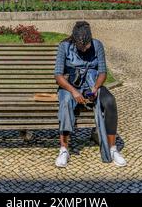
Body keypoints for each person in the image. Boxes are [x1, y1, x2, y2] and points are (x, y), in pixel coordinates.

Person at [54, 21, 127, 168]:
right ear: (75, 41)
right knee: (66, 102)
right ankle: (63, 149)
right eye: (81, 47)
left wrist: (95, 88)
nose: (85, 49)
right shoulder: (64, 47)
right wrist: (74, 92)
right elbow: (58, 76)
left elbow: (102, 72)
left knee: (110, 101)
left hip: (92, 84)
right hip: (70, 86)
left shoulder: (97, 45)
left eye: (87, 46)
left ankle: (112, 149)